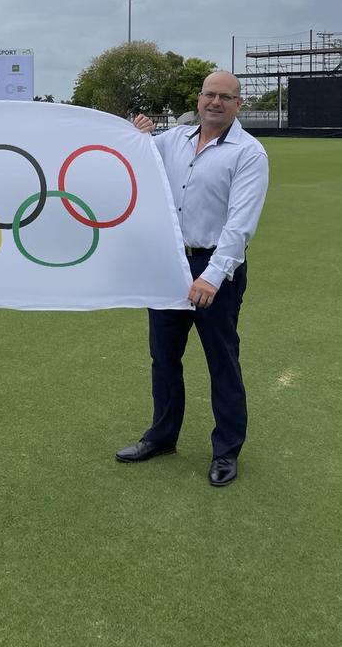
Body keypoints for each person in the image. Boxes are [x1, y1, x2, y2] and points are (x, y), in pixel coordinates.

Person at [115, 70, 269, 486]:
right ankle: (162, 437)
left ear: (239, 104)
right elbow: (135, 154)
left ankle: (226, 451)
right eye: (208, 94)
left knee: (222, 361)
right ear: (198, 99)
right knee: (163, 358)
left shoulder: (249, 153)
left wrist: (213, 276)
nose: (214, 102)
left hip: (214, 269)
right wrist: (136, 131)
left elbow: (240, 225)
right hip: (168, 267)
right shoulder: (171, 141)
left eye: (225, 97)